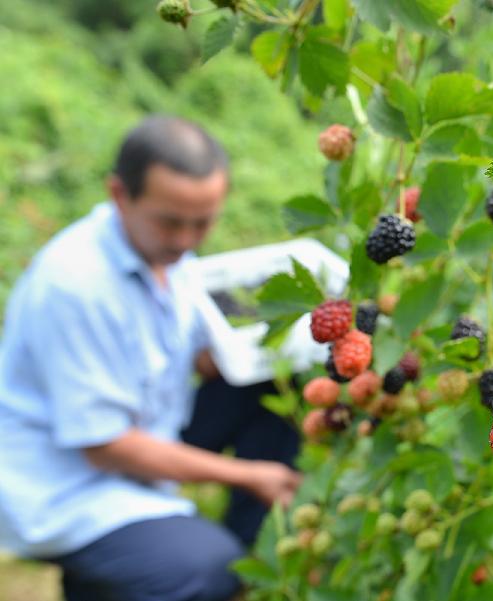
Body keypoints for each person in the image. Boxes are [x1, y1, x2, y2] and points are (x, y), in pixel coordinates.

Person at [0, 115, 302, 601]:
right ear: (120, 195)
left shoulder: (165, 256)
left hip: (149, 425)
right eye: (171, 222)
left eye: (202, 223)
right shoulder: (74, 285)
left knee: (276, 387)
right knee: (205, 570)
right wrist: (250, 476)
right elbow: (103, 445)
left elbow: (193, 358)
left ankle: (255, 562)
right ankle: (154, 569)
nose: (186, 240)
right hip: (68, 485)